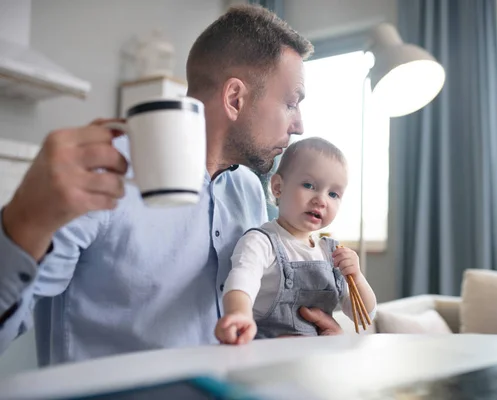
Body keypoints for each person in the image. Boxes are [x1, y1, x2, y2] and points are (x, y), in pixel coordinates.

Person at [0, 5, 342, 366]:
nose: (300, 125)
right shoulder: (102, 173)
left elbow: (245, 316)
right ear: (235, 99)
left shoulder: (247, 189)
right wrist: (21, 223)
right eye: (291, 104)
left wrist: (307, 339)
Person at [214, 138, 377, 344]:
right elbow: (241, 282)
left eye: (333, 194)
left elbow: (365, 316)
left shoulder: (332, 253)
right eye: (309, 185)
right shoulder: (261, 242)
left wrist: (357, 276)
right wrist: (239, 315)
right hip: (267, 358)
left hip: (317, 360)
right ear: (278, 187)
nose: (321, 200)